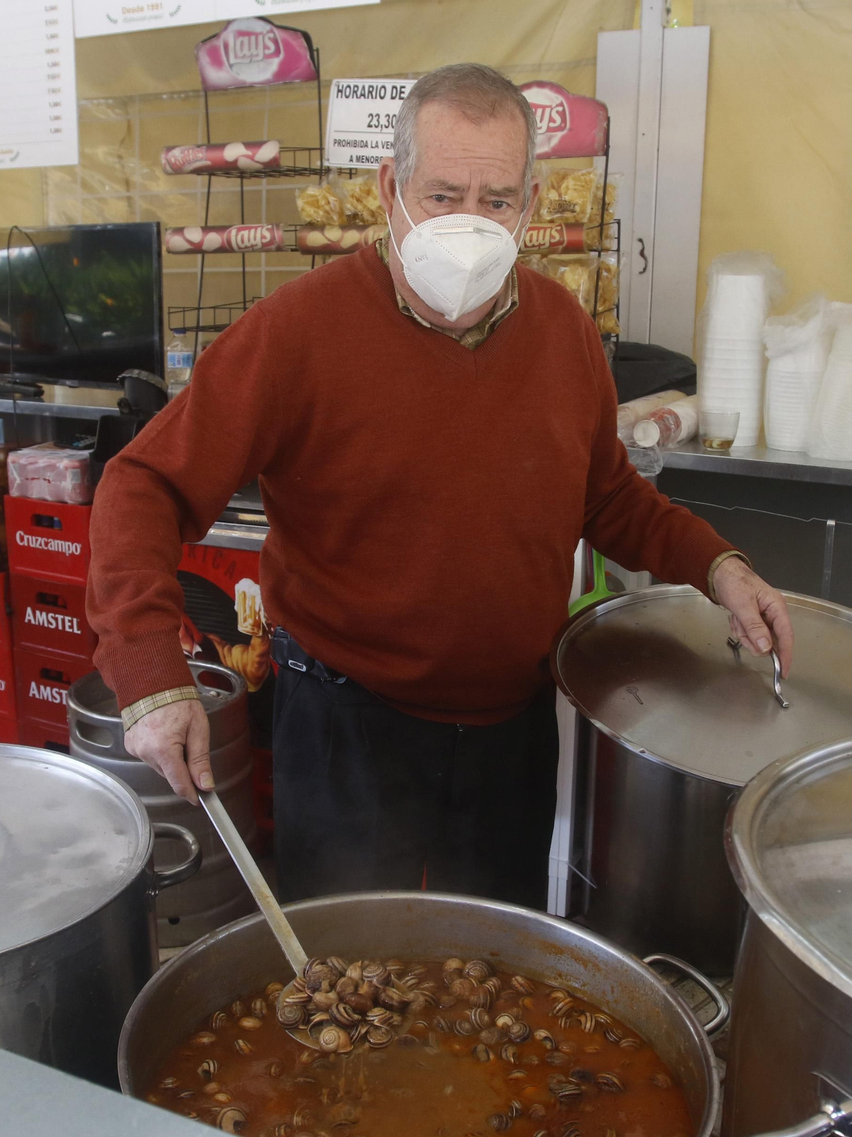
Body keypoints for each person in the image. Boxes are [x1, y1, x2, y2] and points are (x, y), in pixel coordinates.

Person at [86, 63, 793, 910]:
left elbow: (605, 496)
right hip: (348, 731)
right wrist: (148, 673)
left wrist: (718, 567)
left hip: (511, 734)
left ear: (531, 203)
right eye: (443, 193)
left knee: (496, 981)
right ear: (390, 187)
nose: (470, 223)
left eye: (496, 200)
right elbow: (144, 484)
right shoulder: (296, 332)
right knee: (351, 987)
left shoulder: (564, 332)